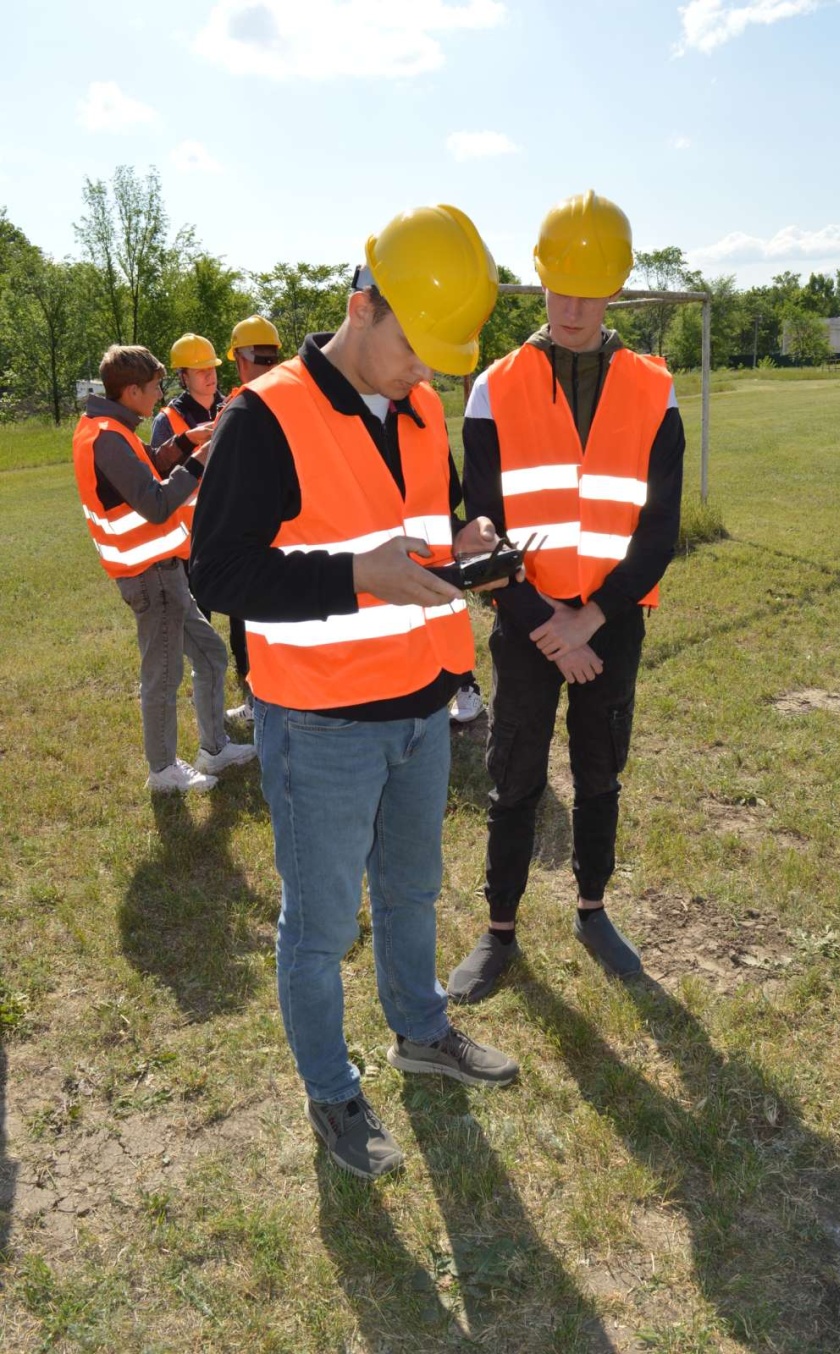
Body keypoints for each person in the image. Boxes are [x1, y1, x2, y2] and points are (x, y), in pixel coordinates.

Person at [190, 205, 519, 1181]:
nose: (427, 372)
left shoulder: (418, 412)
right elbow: (218, 579)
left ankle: (421, 1031)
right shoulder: (265, 415)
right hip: (321, 721)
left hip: (422, 707)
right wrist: (354, 576)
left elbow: (432, 527)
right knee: (323, 926)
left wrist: (471, 551)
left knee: (413, 889)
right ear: (361, 306)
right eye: (417, 346)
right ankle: (333, 1092)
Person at [447, 191, 686, 1005]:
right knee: (513, 773)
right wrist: (549, 624)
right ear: (541, 280)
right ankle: (500, 929)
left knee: (599, 771)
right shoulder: (493, 387)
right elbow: (481, 531)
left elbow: (659, 529)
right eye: (561, 287)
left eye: (591, 289)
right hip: (526, 624)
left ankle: (592, 909)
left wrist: (593, 615)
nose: (574, 307)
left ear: (616, 287)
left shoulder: (656, 388)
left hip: (612, 622)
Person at [71, 345, 258, 792]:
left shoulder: (111, 427)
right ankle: (163, 770)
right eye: (154, 388)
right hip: (147, 576)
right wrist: (200, 460)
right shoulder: (107, 436)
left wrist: (185, 441)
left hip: (163, 571)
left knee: (211, 656)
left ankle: (214, 748)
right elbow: (155, 503)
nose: (159, 396)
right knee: (163, 675)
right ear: (131, 390)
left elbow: (145, 468)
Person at [220, 314, 285, 723]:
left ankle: (258, 697)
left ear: (241, 358)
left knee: (247, 624)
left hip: (252, 539)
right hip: (294, 538)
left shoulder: (242, 407)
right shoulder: (298, 396)